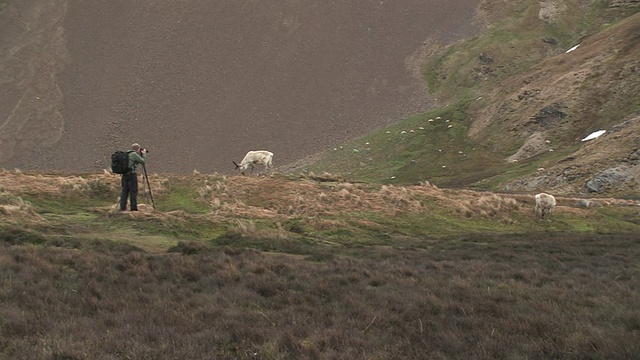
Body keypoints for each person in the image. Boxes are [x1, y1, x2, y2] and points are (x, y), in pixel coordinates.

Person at [119, 143, 147, 211]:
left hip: (124, 175)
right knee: (133, 191)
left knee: (125, 192)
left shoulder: (127, 154)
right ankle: (133, 208)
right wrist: (144, 154)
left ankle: (122, 207)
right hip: (132, 175)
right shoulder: (134, 154)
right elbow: (143, 161)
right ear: (138, 149)